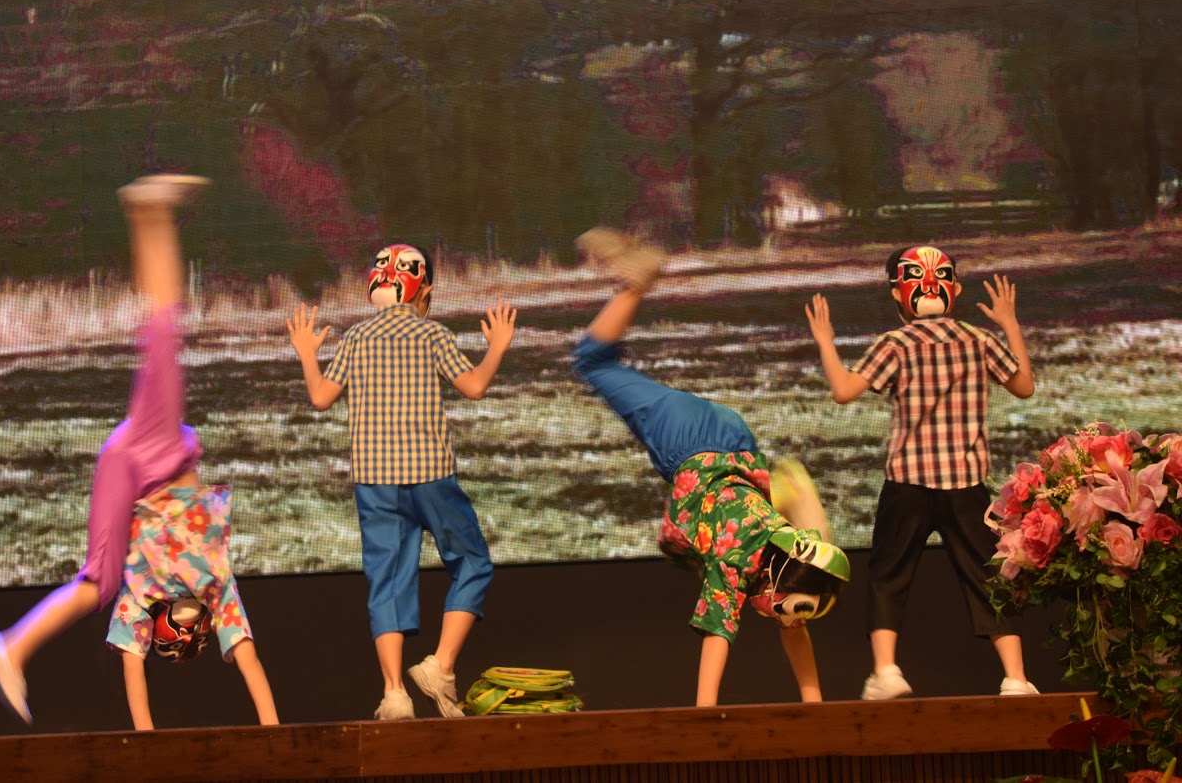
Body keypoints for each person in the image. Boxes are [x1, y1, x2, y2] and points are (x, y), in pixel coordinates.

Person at [0, 174, 277, 730]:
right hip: (149, 456)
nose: (188, 624)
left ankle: (12, 647)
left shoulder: (152, 590)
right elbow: (245, 656)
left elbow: (137, 664)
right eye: (193, 630)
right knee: (164, 326)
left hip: (142, 459)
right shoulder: (214, 588)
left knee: (98, 585)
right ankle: (150, 212)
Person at [573, 227, 850, 708]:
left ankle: (630, 289)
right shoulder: (737, 559)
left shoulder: (787, 554)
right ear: (775, 582)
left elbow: (794, 631)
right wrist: (705, 712)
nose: (786, 622)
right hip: (692, 440)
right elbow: (717, 634)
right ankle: (635, 282)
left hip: (733, 445)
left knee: (605, 363)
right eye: (786, 612)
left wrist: (815, 704)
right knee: (592, 361)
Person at [287, 244, 516, 721]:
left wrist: (308, 355)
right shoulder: (432, 333)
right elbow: (474, 386)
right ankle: (441, 666)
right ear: (423, 290)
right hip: (430, 473)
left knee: (387, 581)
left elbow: (321, 397)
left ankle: (394, 693)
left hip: (375, 482)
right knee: (472, 562)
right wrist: (497, 346)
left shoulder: (356, 338)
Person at [805, 244, 1038, 700]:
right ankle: (1015, 678)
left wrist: (825, 341)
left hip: (908, 483)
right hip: (966, 484)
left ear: (896, 294)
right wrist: (1009, 325)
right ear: (955, 291)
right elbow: (1024, 387)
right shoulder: (978, 339)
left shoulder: (895, 344)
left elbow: (844, 391)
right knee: (988, 578)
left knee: (888, 575)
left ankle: (886, 671)